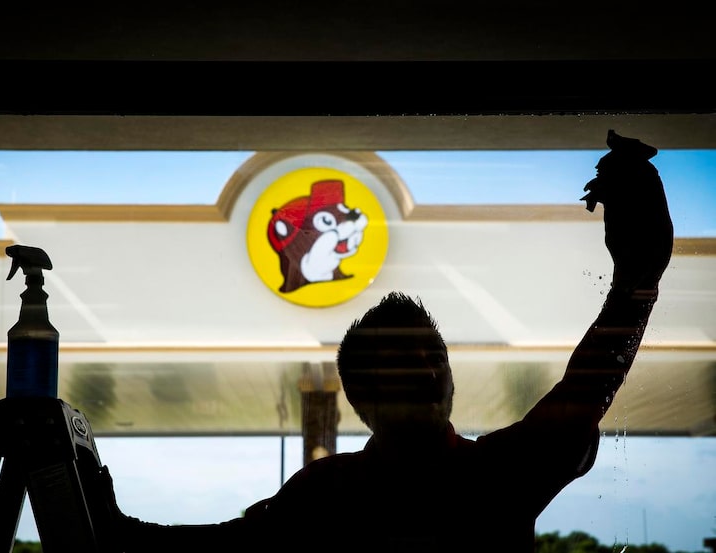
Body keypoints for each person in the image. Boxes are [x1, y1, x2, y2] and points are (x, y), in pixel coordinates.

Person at [93, 129, 674, 552]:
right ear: (362, 397)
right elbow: (583, 396)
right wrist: (636, 281)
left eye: (434, 358)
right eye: (404, 362)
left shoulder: (328, 494)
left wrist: (637, 281)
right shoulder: (493, 477)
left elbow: (211, 551)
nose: (427, 372)